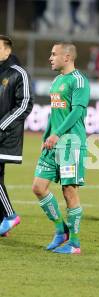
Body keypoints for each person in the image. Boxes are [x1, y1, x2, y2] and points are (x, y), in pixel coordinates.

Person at [31, 42, 90, 254]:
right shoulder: (56, 81)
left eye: (54, 54)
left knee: (69, 191)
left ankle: (74, 244)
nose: (50, 58)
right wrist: (47, 136)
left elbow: (77, 112)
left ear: (67, 57)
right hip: (53, 143)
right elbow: (55, 113)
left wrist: (57, 134)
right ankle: (60, 230)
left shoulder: (79, 81)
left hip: (71, 143)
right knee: (38, 187)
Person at [0, 35, 34, 236]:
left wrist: (2, 126)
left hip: (7, 134)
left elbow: (24, 104)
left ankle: (10, 216)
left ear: (7, 51)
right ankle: (3, 224)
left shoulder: (18, 73)